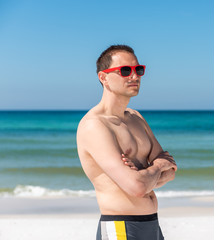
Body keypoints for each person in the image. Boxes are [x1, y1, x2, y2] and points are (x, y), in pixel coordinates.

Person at [76, 45, 177, 240]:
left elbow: (171, 171)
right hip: (119, 227)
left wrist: (145, 174)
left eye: (138, 70)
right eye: (124, 71)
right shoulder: (94, 125)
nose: (134, 76)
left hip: (153, 226)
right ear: (103, 77)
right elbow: (137, 187)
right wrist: (157, 166)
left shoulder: (136, 117)